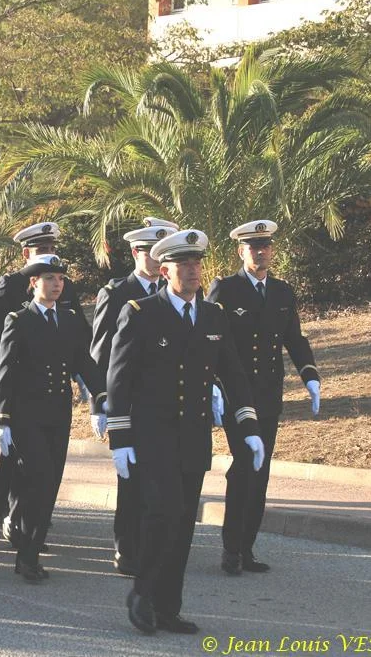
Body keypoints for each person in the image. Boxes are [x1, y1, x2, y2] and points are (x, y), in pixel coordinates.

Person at [106, 229, 265, 635]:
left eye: (196, 264)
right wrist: (120, 438)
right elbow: (119, 379)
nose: (193, 271)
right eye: (184, 265)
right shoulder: (140, 312)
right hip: (152, 434)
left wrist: (248, 426)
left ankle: (167, 607)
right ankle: (142, 591)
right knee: (163, 512)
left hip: (193, 436)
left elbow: (233, 372)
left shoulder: (213, 315)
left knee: (182, 524)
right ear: (165, 270)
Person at [207, 220, 321, 576]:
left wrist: (310, 374)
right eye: (253, 247)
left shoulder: (283, 292)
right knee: (244, 462)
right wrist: (209, 384)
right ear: (240, 251)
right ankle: (230, 547)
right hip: (235, 393)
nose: (260, 252)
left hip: (269, 393)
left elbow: (294, 338)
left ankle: (246, 548)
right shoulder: (225, 289)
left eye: (265, 246)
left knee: (261, 467)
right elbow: (208, 336)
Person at [0, 254, 106, 581]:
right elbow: (5, 372)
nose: (57, 285)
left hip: (58, 413)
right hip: (27, 414)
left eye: (60, 279)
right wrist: (2, 418)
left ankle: (31, 547)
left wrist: (100, 397)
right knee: (38, 478)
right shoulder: (19, 319)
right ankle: (26, 553)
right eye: (49, 279)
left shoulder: (69, 320)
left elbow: (83, 362)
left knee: (51, 483)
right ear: (33, 284)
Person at [0, 222, 88, 525]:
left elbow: (78, 330)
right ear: (26, 253)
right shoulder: (11, 285)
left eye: (52, 249)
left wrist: (84, 373)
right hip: (20, 388)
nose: (48, 254)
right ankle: (5, 504)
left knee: (43, 462)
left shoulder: (61, 284)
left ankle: (35, 512)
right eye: (42, 250)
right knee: (16, 456)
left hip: (53, 390)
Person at [90, 217, 178, 576]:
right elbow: (100, 351)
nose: (155, 261)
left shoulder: (174, 292)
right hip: (128, 398)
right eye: (147, 253)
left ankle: (154, 544)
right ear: (134, 253)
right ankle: (126, 547)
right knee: (131, 479)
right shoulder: (116, 292)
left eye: (160, 255)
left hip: (166, 401)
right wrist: (100, 402)